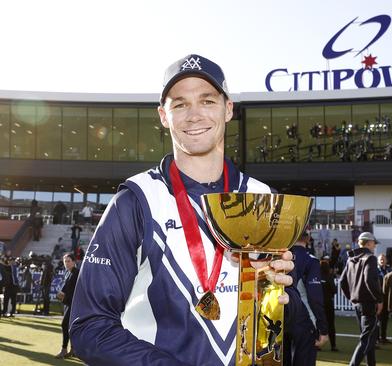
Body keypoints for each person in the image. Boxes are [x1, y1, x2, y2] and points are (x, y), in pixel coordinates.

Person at [69, 54, 295, 365]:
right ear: (164, 115)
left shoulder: (261, 196)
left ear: (228, 108)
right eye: (180, 104)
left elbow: (271, 322)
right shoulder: (137, 200)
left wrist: (281, 295)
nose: (194, 115)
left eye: (207, 101)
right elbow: (89, 327)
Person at [284, 231, 328, 366]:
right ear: (308, 239)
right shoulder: (311, 260)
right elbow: (315, 297)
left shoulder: (280, 257)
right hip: (303, 319)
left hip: (280, 316)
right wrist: (323, 328)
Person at [340, 231, 383, 366]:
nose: (374, 247)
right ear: (369, 243)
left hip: (357, 304)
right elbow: (369, 280)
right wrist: (379, 299)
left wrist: (352, 297)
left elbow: (342, 282)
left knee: (369, 338)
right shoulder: (370, 258)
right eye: (373, 244)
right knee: (367, 339)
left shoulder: (351, 259)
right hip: (368, 304)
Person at [55, 253, 79, 359]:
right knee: (69, 326)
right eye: (65, 261)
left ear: (74, 262)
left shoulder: (77, 273)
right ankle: (73, 350)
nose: (67, 263)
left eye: (69, 261)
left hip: (74, 304)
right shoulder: (67, 272)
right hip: (67, 303)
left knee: (65, 324)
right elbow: (65, 288)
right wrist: (61, 294)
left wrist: (62, 294)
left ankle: (64, 349)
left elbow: (74, 289)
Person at [320, 259, 338, 352]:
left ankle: (318, 345)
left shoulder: (317, 277)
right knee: (331, 324)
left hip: (319, 304)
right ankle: (333, 346)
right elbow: (334, 290)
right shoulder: (329, 276)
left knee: (319, 323)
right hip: (328, 304)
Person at [376, 253, 392, 344]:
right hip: (378, 298)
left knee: (385, 318)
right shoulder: (375, 270)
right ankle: (377, 338)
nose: (382, 260)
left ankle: (383, 337)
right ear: (378, 261)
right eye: (380, 259)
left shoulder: (389, 270)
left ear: (386, 260)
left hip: (387, 298)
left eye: (383, 259)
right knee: (377, 319)